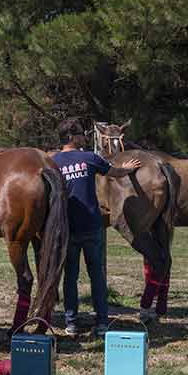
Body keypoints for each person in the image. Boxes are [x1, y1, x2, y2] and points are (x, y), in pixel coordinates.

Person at [51, 118, 143, 338]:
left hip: (67, 229)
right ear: (72, 136)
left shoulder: (53, 163)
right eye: (82, 133)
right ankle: (102, 322)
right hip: (92, 227)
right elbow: (114, 173)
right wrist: (127, 168)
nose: (85, 137)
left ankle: (71, 323)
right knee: (97, 277)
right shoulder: (89, 158)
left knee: (69, 278)